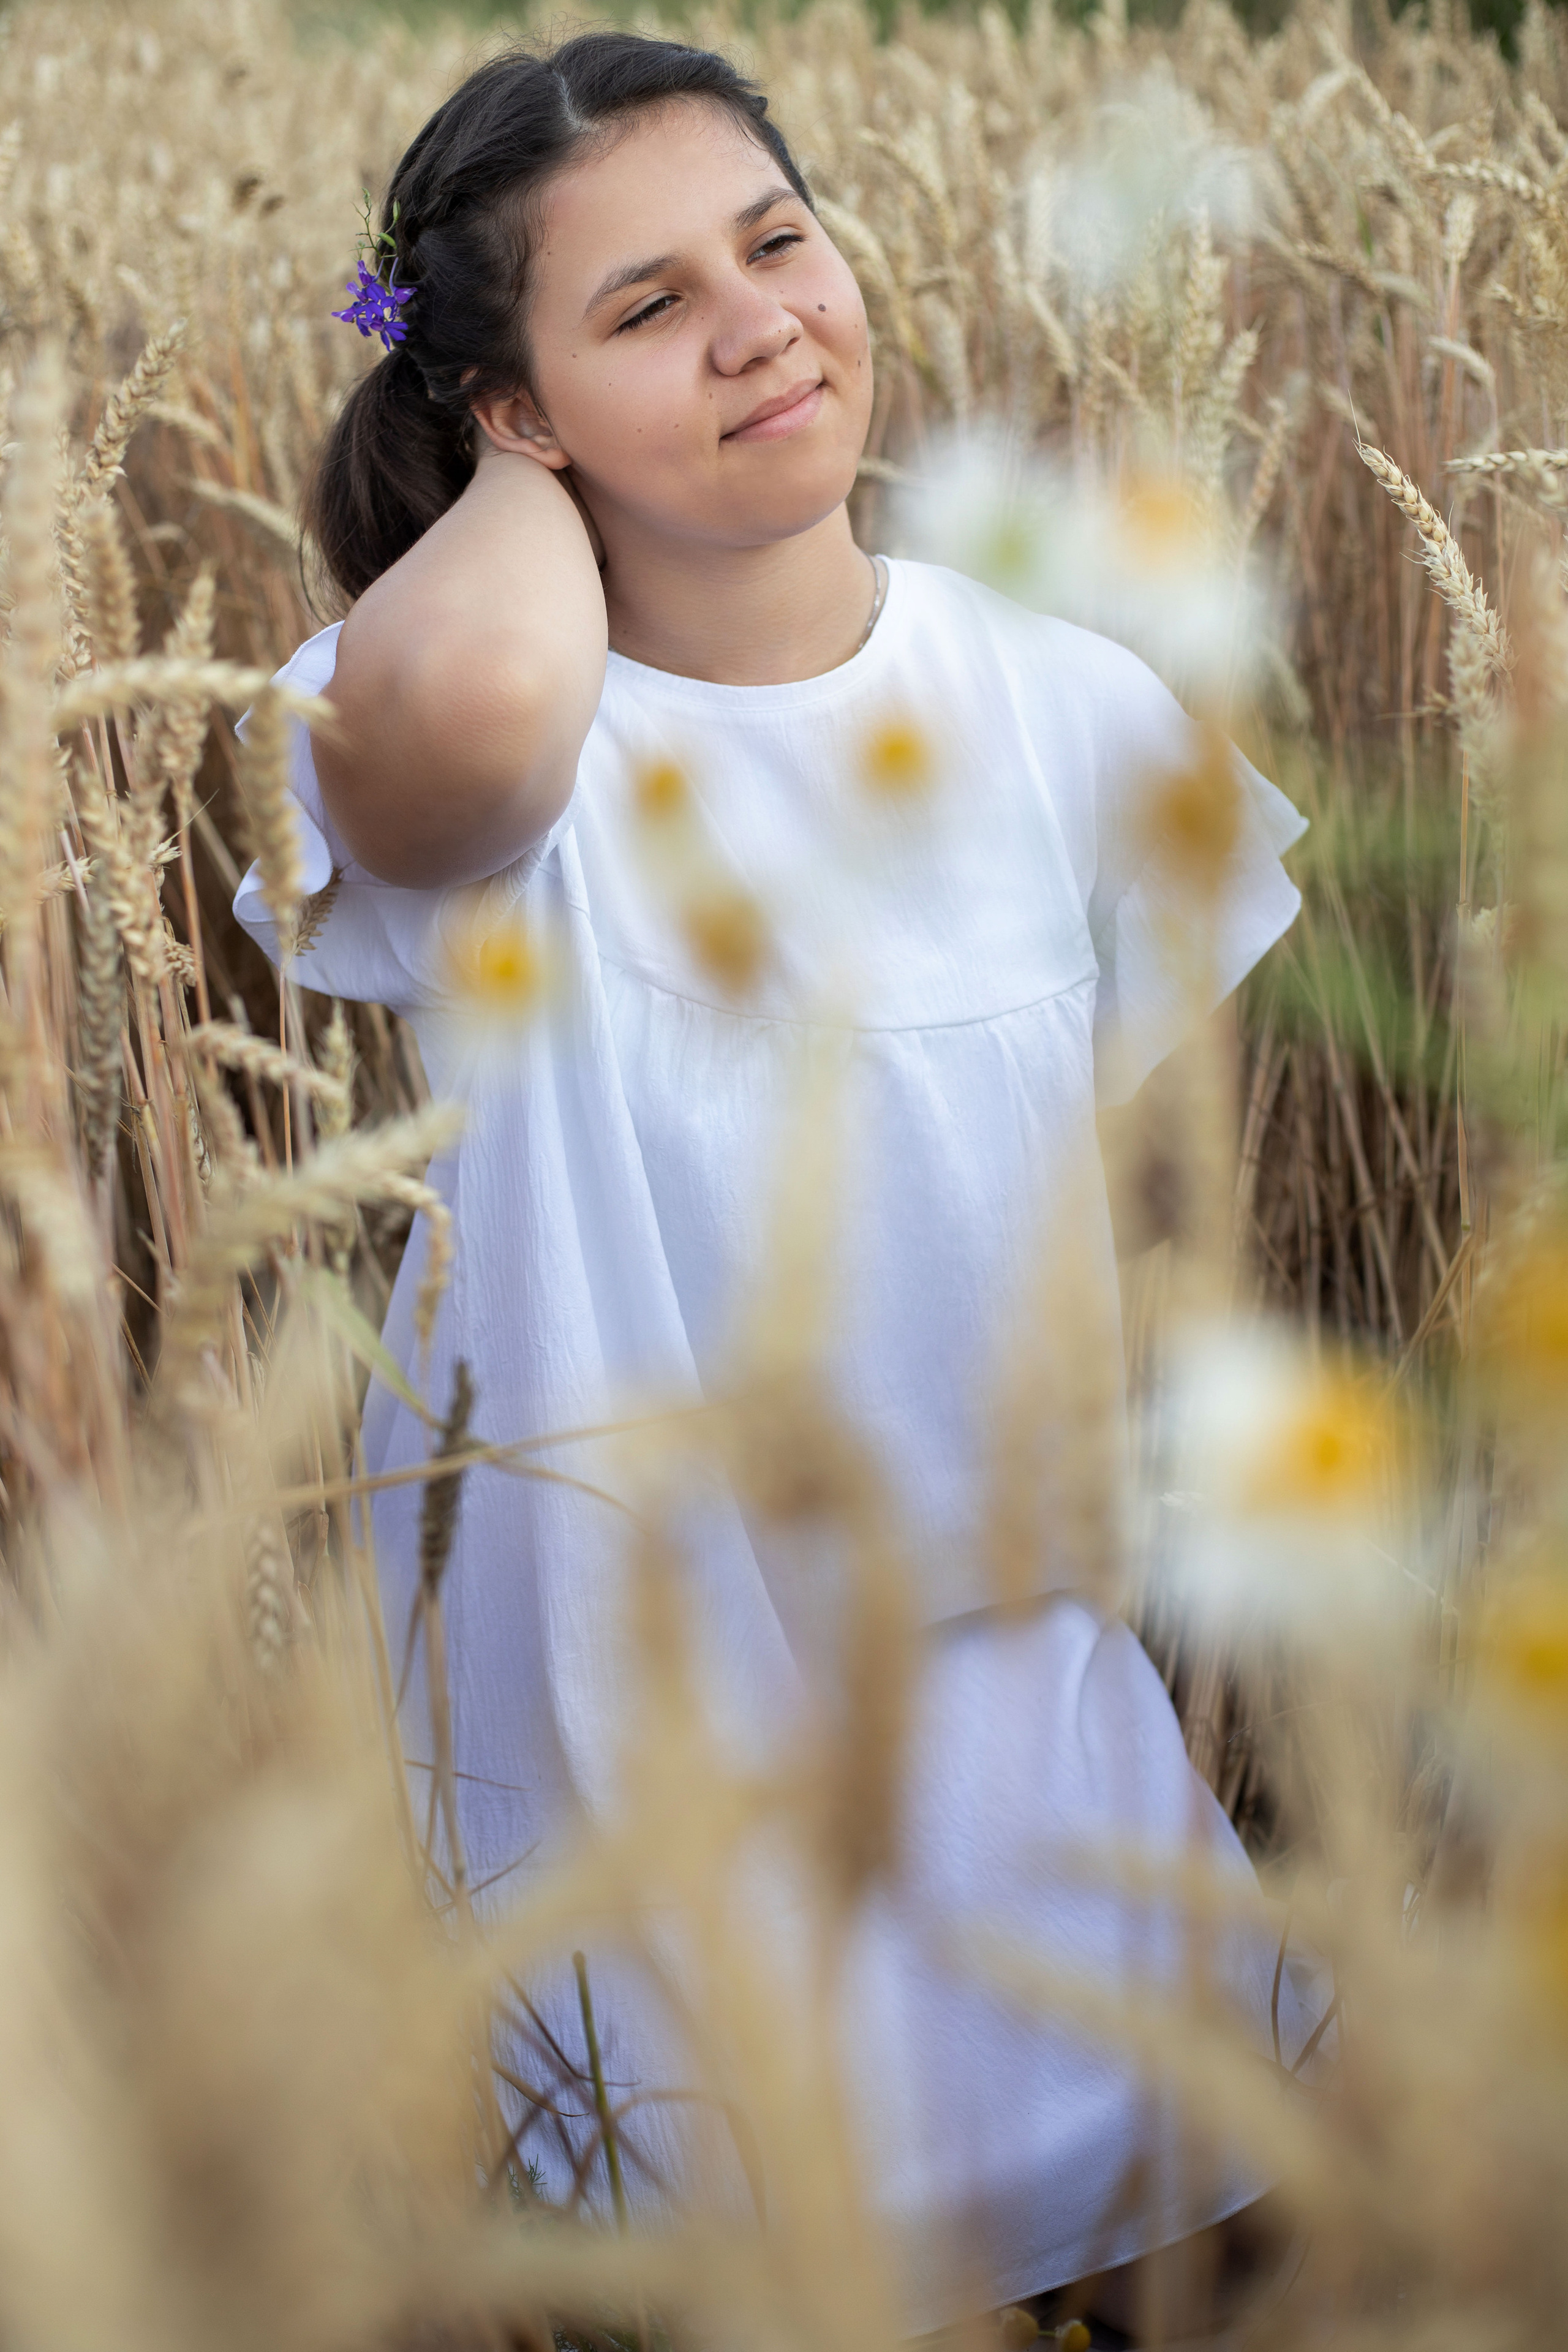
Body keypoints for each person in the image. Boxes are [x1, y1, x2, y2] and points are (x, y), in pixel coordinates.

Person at [233, 31, 1311, 2335]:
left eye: (781, 242)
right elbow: (492, 729)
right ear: (512, 417)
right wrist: (513, 448)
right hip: (630, 1807)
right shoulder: (471, 721)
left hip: (1022, 1753)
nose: (761, 325)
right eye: (646, 308)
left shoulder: (1076, 714)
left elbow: (1114, 1208)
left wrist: (596, 356)